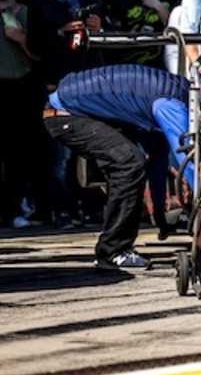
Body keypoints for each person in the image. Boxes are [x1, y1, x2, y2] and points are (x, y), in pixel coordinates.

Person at [42, 65, 191, 269]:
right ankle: (113, 252)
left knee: (130, 164)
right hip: (65, 114)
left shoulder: (164, 95)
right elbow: (188, 159)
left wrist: (160, 217)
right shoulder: (170, 104)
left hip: (75, 107)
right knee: (129, 164)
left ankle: (116, 246)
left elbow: (158, 162)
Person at [0, 0, 41, 228]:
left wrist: (21, 38)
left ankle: (14, 208)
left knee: (16, 153)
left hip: (19, 87)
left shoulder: (26, 13)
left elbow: (39, 54)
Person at [29, 0, 106, 88]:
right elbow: (33, 45)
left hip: (90, 76)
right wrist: (58, 32)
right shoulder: (39, 3)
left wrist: (99, 28)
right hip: (56, 77)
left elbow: (113, 32)